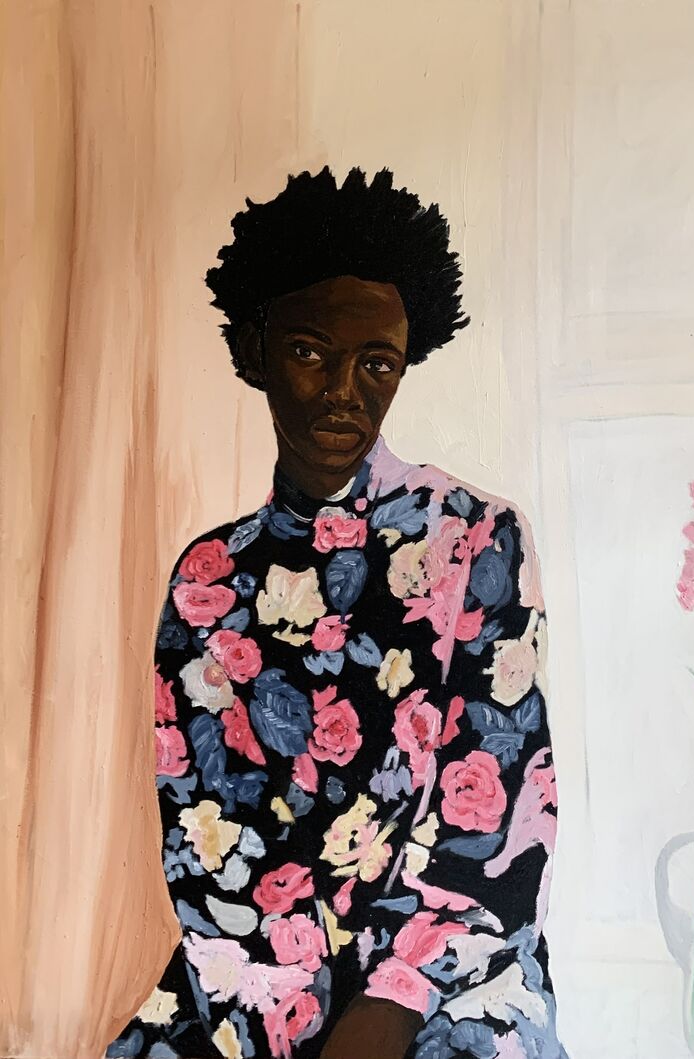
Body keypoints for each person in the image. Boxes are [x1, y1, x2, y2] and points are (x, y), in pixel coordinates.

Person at [106, 167, 566, 1059]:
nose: (344, 391)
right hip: (254, 986)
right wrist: (288, 1023)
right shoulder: (209, 580)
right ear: (254, 352)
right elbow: (208, 848)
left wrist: (386, 1009)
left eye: (377, 363)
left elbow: (500, 826)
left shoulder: (476, 540)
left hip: (451, 977)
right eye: (311, 352)